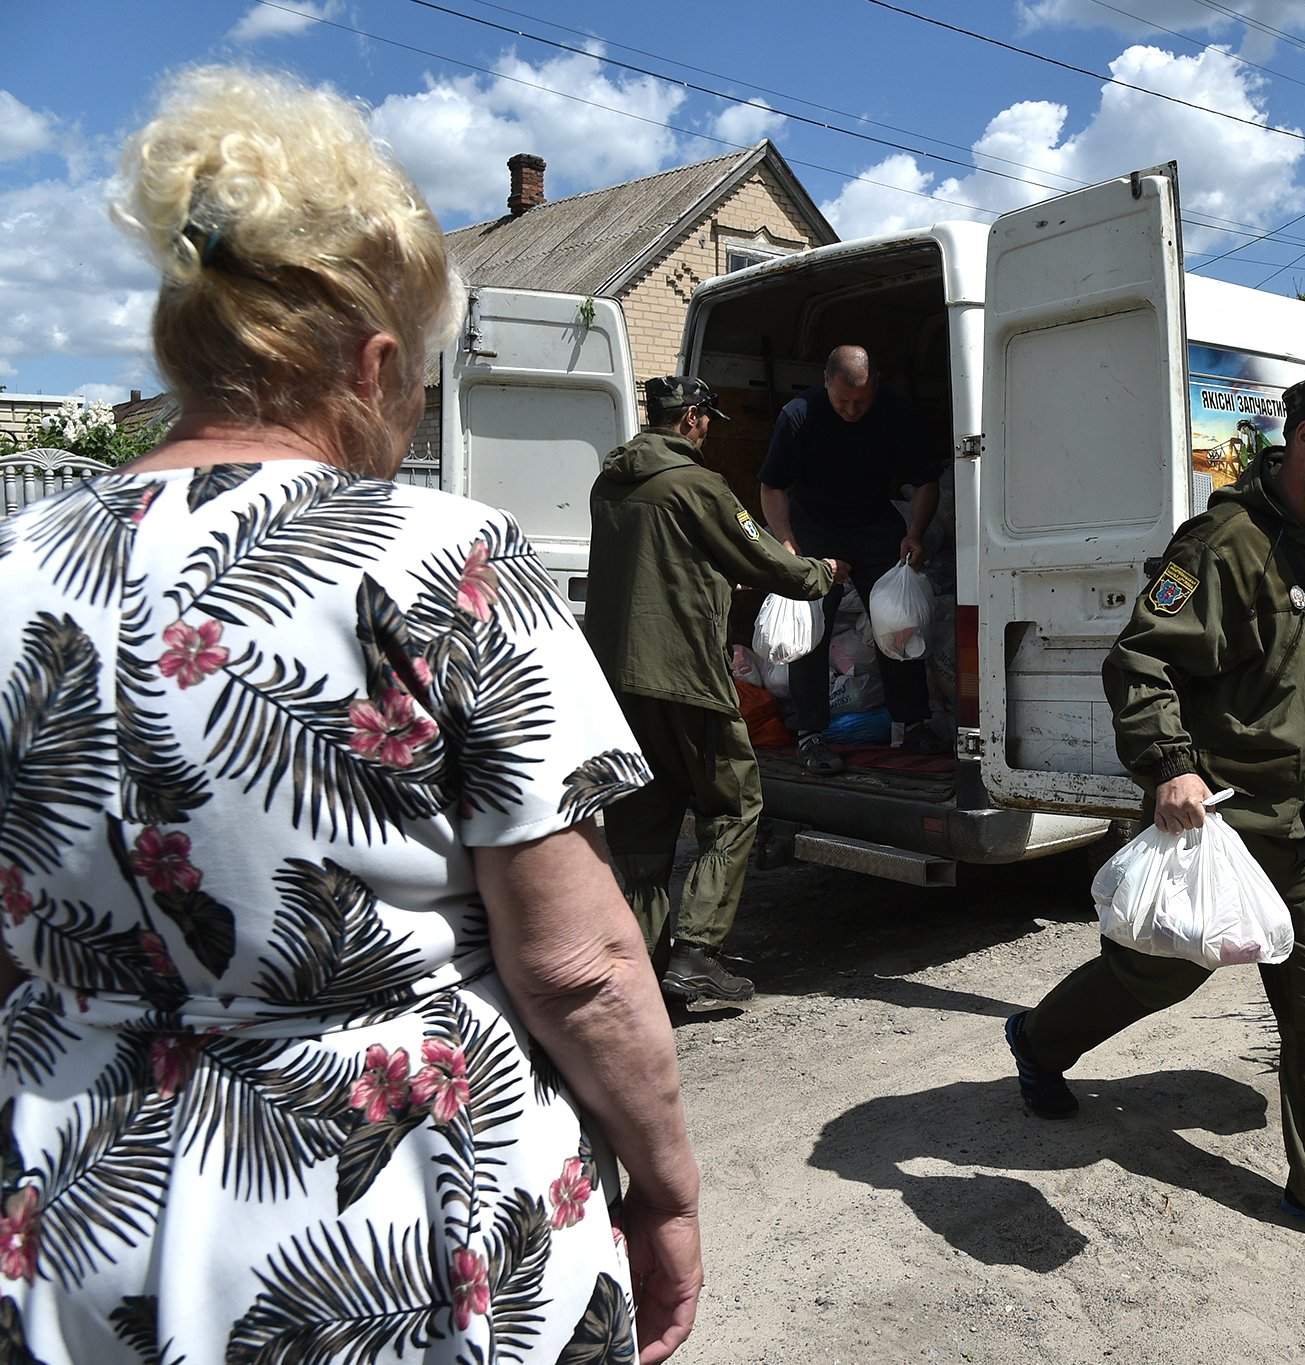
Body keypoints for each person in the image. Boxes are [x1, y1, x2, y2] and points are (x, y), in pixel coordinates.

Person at [0, 67, 701, 1359]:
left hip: (73, 1225)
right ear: (374, 366)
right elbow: (579, 963)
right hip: (398, 1223)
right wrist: (664, 1186)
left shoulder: (16, 572)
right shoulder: (448, 559)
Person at [1003, 374, 1305, 1261]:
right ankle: (1039, 1040)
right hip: (1224, 829)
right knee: (1149, 975)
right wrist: (1171, 765)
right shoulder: (1222, 545)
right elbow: (1139, 664)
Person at [585, 375, 844, 1004]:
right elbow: (762, 556)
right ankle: (698, 954)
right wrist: (820, 574)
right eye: (708, 418)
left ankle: (645, 964)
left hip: (617, 682)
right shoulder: (696, 486)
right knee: (734, 804)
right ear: (695, 418)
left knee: (643, 824)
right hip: (684, 677)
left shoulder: (610, 482)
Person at [758, 345, 947, 774]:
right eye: (842, 400)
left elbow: (926, 481)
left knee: (897, 625)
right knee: (809, 634)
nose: (851, 410)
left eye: (861, 401)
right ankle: (812, 736)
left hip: (875, 525)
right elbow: (771, 486)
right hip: (813, 531)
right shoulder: (799, 415)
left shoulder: (894, 412)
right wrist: (787, 543)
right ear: (826, 382)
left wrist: (915, 533)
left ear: (875, 385)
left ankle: (912, 722)